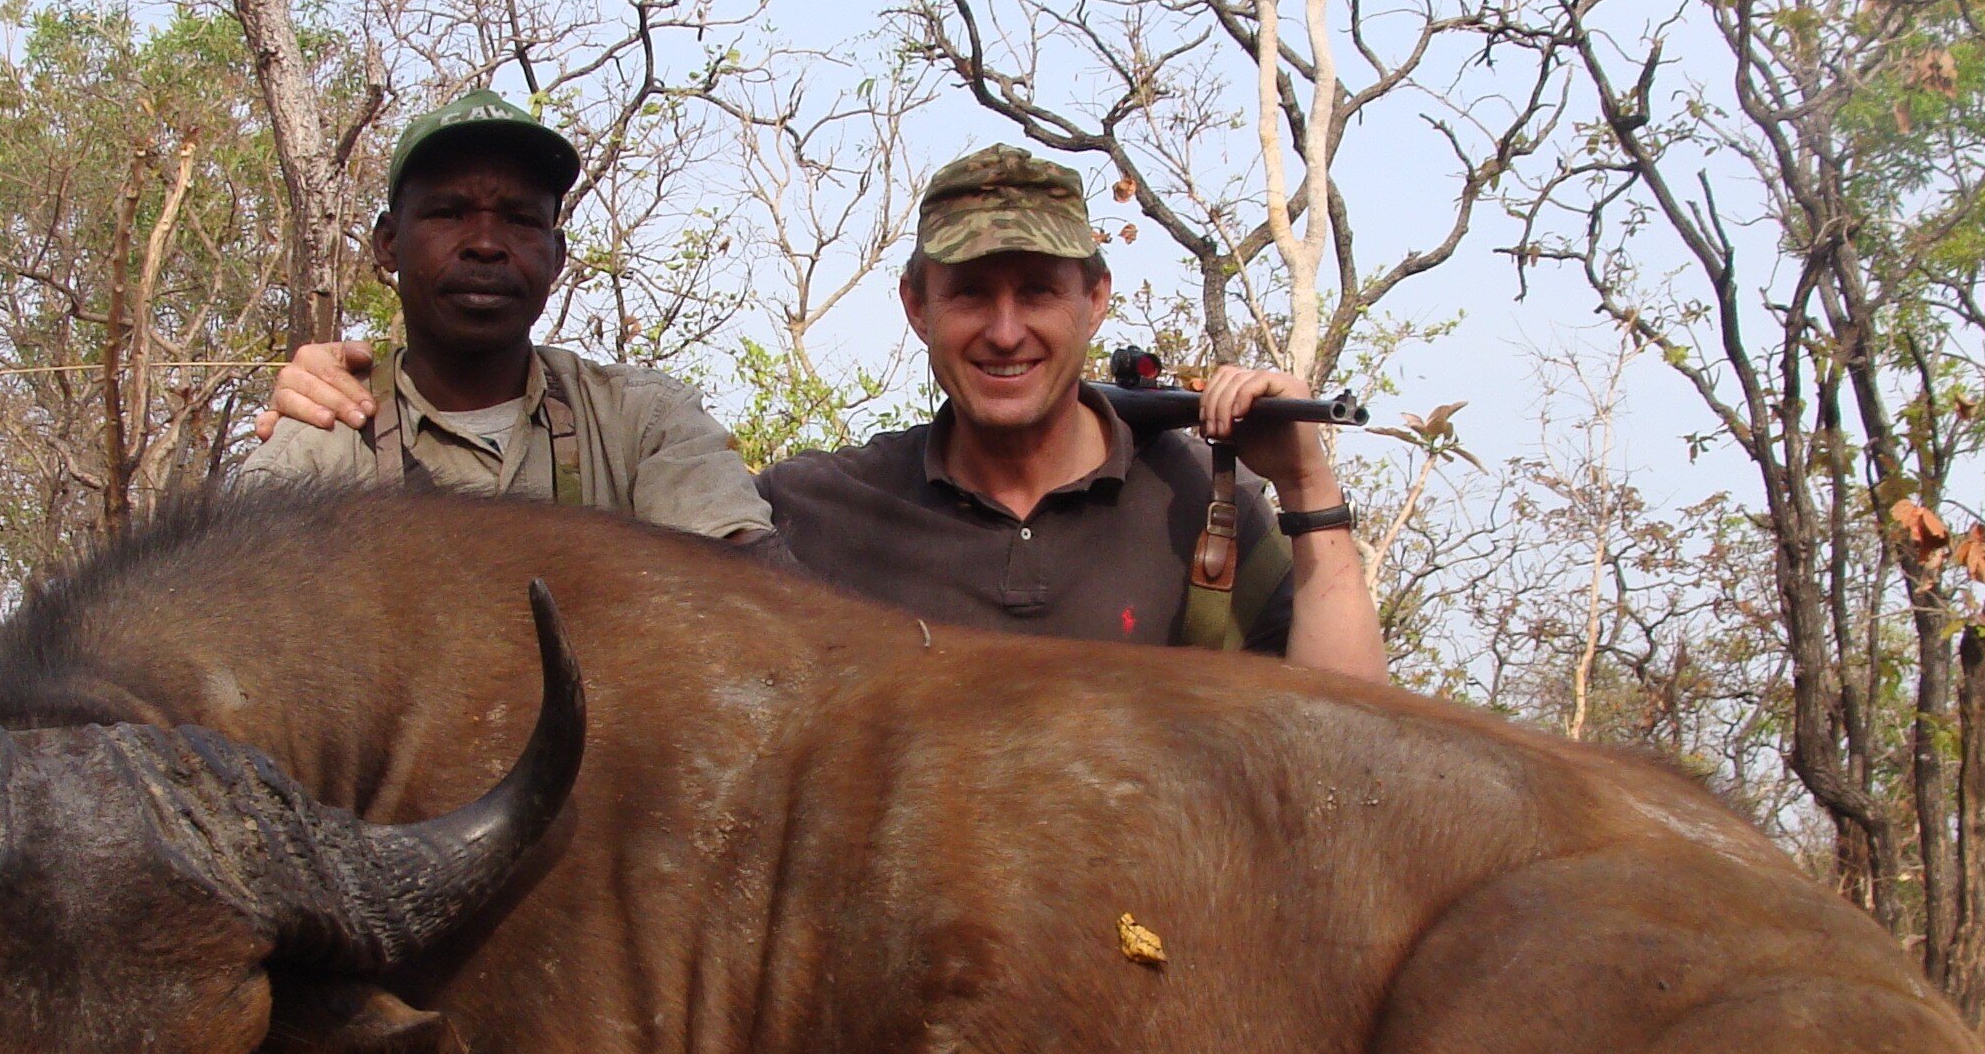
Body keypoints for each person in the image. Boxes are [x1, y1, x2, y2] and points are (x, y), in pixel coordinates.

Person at [756, 146, 1390, 681]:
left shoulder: (1205, 503)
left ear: (1094, 301)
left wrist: (1307, 485)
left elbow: (1357, 757)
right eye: (971, 293)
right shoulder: (815, 509)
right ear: (918, 309)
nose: (1006, 334)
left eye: (1037, 292)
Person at [243, 87, 776, 543]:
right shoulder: (318, 445)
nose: (485, 244)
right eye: (448, 214)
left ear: (557, 257)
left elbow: (747, 590)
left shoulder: (645, 421)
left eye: (520, 220)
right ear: (388, 245)